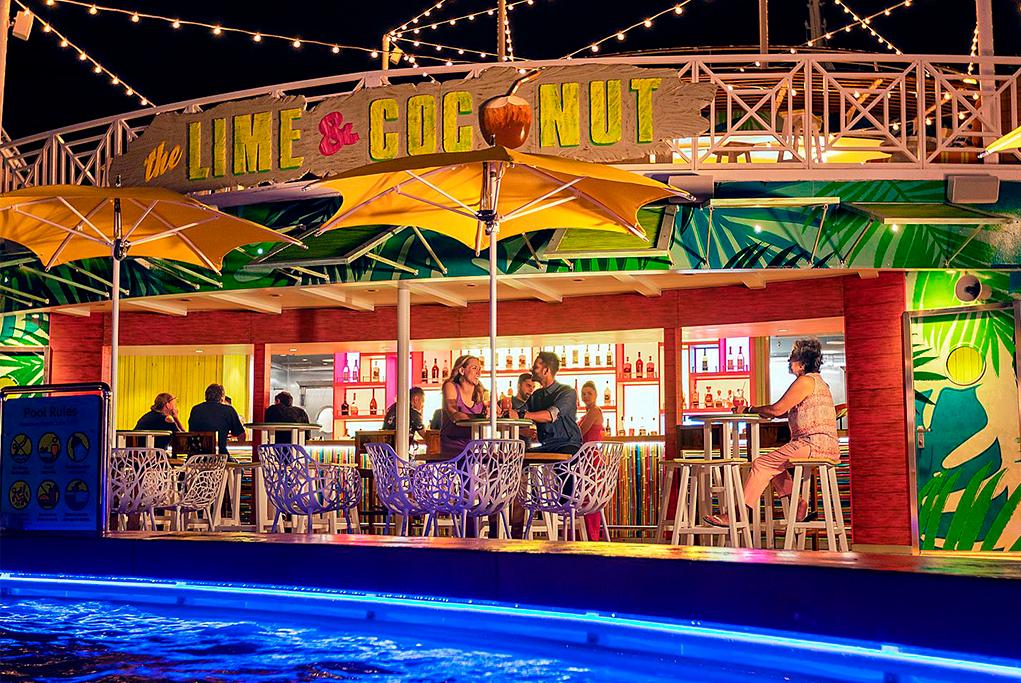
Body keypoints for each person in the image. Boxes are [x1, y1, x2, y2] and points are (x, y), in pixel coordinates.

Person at [706, 338, 839, 527]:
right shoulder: (819, 382)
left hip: (812, 444)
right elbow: (782, 411)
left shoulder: (805, 381)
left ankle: (737, 514)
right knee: (774, 465)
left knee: (761, 464)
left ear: (802, 362)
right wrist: (764, 411)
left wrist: (749, 409)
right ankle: (799, 504)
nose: (789, 361)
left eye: (792, 357)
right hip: (824, 446)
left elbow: (777, 410)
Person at [516, 351, 582, 455]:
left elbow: (551, 415)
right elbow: (520, 412)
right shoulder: (536, 396)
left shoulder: (567, 392)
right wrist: (508, 411)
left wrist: (524, 415)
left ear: (546, 371)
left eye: (535, 367)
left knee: (560, 465)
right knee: (518, 458)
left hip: (568, 445)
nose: (531, 370)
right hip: (548, 447)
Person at [439, 355, 486, 456]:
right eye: (474, 368)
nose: (479, 373)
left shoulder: (481, 392)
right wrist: (481, 417)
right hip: (454, 446)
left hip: (477, 446)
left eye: (480, 369)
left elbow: (495, 414)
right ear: (461, 370)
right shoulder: (450, 387)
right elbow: (454, 414)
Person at [577, 380, 605, 541]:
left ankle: (592, 537)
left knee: (590, 499)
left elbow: (580, 432)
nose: (586, 396)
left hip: (591, 460)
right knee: (586, 498)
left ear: (596, 395)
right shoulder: (586, 414)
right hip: (586, 459)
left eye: (589, 393)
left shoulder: (595, 411)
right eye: (584, 393)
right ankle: (586, 536)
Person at [188, 383, 245, 456]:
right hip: (219, 459)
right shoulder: (228, 410)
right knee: (240, 465)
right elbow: (241, 436)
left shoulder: (195, 409)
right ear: (222, 397)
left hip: (195, 458)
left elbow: (192, 431)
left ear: (206, 396)